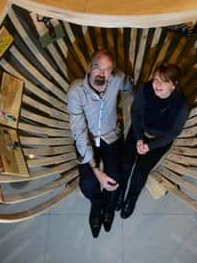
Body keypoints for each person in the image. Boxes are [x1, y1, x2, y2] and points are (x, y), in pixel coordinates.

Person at [67, 49, 133, 237]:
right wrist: (96, 170)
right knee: (87, 183)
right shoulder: (76, 92)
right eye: (97, 68)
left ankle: (110, 208)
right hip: (87, 138)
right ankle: (97, 205)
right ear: (89, 67)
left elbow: (129, 89)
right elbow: (79, 132)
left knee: (114, 179)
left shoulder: (118, 78)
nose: (102, 74)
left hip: (110, 135)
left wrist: (130, 109)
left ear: (112, 71)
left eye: (107, 70)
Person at [118, 63, 189, 219]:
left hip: (159, 140)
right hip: (140, 131)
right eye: (156, 79)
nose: (157, 84)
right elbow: (135, 112)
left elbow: (174, 132)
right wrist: (138, 138)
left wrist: (150, 146)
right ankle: (121, 189)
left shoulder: (181, 105)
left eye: (164, 81)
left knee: (140, 171)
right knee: (126, 162)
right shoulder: (145, 89)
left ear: (174, 85)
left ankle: (132, 197)